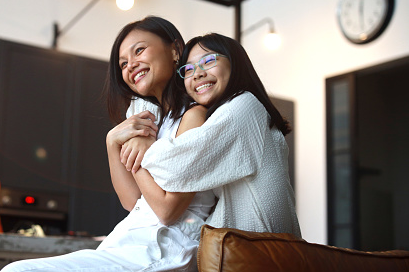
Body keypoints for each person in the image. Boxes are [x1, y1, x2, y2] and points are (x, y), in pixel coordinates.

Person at [0, 16, 216, 272]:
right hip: (127, 251)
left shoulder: (194, 116)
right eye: (123, 63)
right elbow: (132, 202)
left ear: (175, 50)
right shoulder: (153, 122)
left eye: (139, 50)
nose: (131, 65)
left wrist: (142, 153)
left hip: (162, 259)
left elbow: (168, 212)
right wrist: (112, 143)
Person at [127, 33, 301, 236]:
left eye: (208, 60)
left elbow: (176, 168)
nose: (197, 74)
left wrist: (139, 142)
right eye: (189, 69)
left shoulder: (242, 107)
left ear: (234, 63)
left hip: (260, 254)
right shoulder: (235, 111)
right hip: (248, 249)